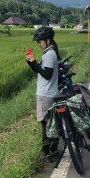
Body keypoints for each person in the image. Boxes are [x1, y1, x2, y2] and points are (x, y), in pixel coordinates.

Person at [26, 26, 61, 161]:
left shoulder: (50, 54)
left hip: (45, 95)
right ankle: (52, 150)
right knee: (52, 124)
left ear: (47, 40)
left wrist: (34, 62)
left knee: (46, 125)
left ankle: (47, 153)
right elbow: (40, 71)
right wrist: (31, 63)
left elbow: (46, 74)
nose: (38, 44)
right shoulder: (48, 53)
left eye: (40, 41)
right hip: (48, 94)